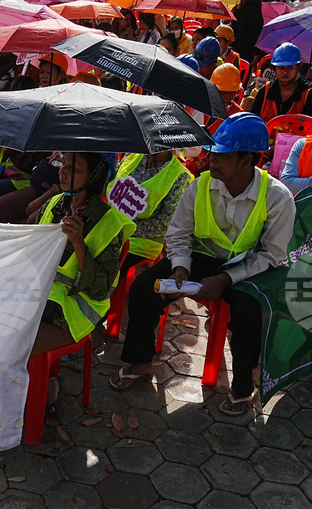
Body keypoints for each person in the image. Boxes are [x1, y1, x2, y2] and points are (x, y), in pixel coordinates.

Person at [111, 113, 295, 417]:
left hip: (249, 268)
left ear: (248, 160)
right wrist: (180, 267)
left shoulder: (278, 197)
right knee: (145, 287)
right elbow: (179, 233)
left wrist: (226, 279)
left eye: (222, 155)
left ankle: (243, 388)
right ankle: (140, 361)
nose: (212, 159)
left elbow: (271, 254)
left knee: (248, 313)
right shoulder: (200, 186)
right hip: (201, 258)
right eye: (213, 152)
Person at [30, 152, 134, 369]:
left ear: (95, 175)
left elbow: (99, 290)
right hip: (40, 297)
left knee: (16, 349)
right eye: (63, 164)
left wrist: (79, 243)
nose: (62, 172)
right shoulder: (54, 204)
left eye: (74, 168)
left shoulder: (109, 223)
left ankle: (47, 384)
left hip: (72, 310)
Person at [108, 149, 194, 267]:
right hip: (110, 226)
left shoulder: (180, 175)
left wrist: (125, 229)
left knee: (107, 263)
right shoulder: (132, 155)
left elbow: (165, 223)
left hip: (139, 241)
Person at [249, 42, 312, 121]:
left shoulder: (307, 94)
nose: (285, 72)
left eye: (290, 67)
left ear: (298, 68)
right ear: (274, 69)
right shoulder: (265, 91)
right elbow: (253, 121)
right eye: (281, 68)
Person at [231, 0, 265, 64]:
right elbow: (255, 34)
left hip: (234, 47)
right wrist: (256, 53)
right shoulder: (255, 11)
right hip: (247, 50)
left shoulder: (238, 7)